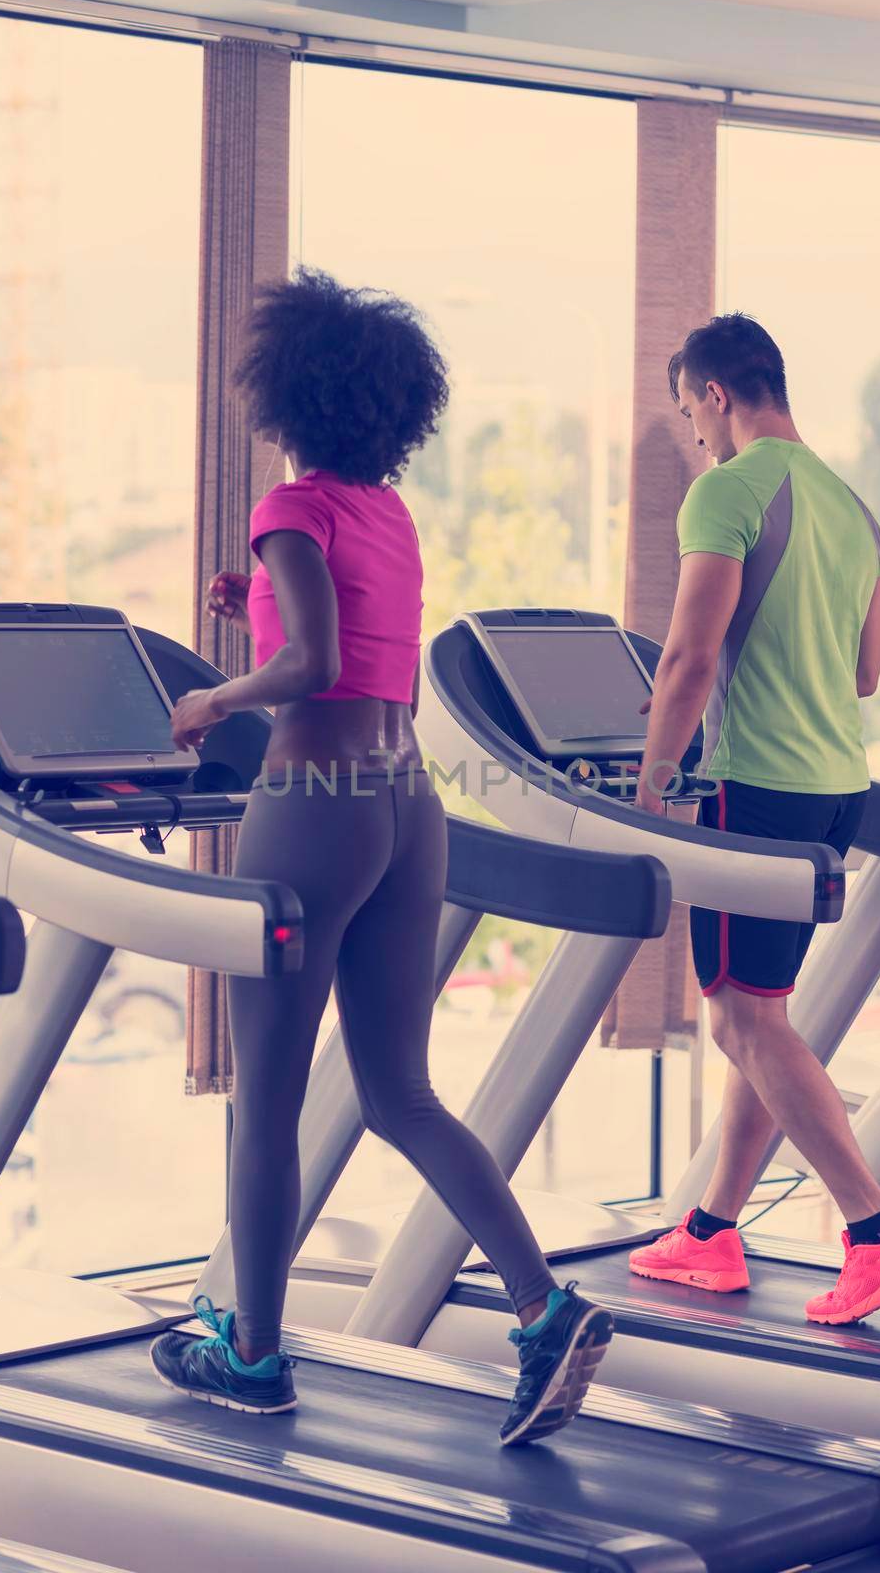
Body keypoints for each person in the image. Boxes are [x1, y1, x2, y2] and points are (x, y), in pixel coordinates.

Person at [148, 266, 612, 1443]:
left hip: (313, 800)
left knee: (268, 1102)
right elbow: (347, 635)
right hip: (406, 801)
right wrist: (247, 600)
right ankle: (543, 1303)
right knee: (402, 1090)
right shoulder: (383, 513)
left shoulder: (290, 509)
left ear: (285, 392)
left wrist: (211, 701)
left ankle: (251, 1351)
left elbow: (307, 668)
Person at [627, 312, 880, 1326]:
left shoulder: (727, 490)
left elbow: (686, 655)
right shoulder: (855, 509)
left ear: (717, 394)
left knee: (742, 1017)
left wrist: (650, 781)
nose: (696, 437)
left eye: (691, 415)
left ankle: (876, 1231)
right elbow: (863, 673)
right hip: (833, 783)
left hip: (750, 786)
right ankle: (714, 1231)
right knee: (761, 1013)